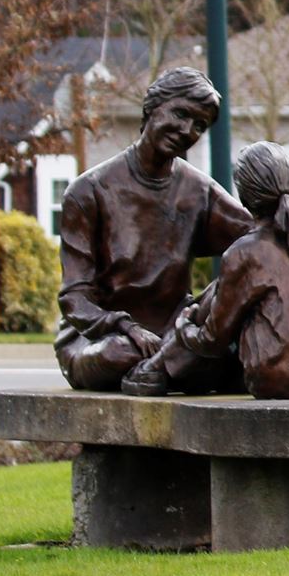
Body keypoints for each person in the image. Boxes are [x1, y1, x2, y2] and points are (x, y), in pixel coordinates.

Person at [55, 68, 254, 392]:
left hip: (176, 338)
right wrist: (126, 327)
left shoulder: (198, 191)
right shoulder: (88, 192)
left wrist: (283, 206)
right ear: (153, 106)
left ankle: (161, 370)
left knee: (246, 359)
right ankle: (171, 370)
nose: (187, 130)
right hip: (103, 341)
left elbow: (257, 241)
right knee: (119, 354)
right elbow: (75, 298)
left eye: (199, 125)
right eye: (180, 114)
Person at [122, 142, 289, 400]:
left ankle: (155, 368)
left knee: (216, 293)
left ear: (244, 196)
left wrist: (183, 326)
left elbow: (211, 341)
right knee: (220, 291)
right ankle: (156, 368)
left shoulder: (244, 253)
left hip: (279, 377)